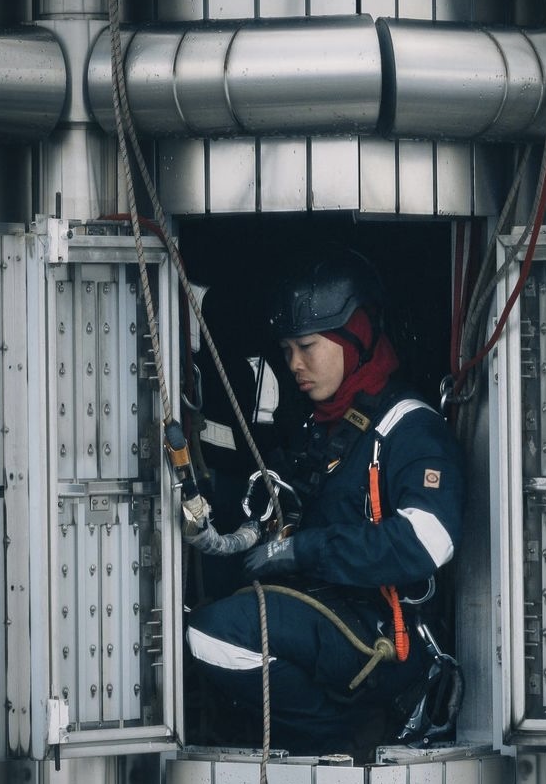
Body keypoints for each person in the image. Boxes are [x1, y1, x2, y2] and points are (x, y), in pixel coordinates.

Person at [184, 247, 465, 756]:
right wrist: (270, 501)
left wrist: (306, 550)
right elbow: (299, 486)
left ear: (353, 336)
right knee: (210, 609)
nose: (294, 364)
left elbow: (430, 538)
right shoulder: (328, 424)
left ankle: (346, 737)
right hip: (324, 612)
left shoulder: (410, 426)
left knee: (216, 634)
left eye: (307, 347)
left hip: (381, 634)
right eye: (288, 349)